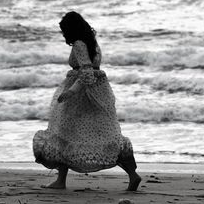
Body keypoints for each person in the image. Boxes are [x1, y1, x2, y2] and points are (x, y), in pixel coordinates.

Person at [33, 11, 141, 191]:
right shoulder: (92, 42)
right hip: (100, 93)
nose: (63, 34)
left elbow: (87, 72)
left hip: (82, 96)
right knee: (107, 135)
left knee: (64, 133)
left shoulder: (79, 44)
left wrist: (71, 92)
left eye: (64, 30)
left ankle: (61, 181)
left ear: (71, 29)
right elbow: (94, 70)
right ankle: (133, 175)